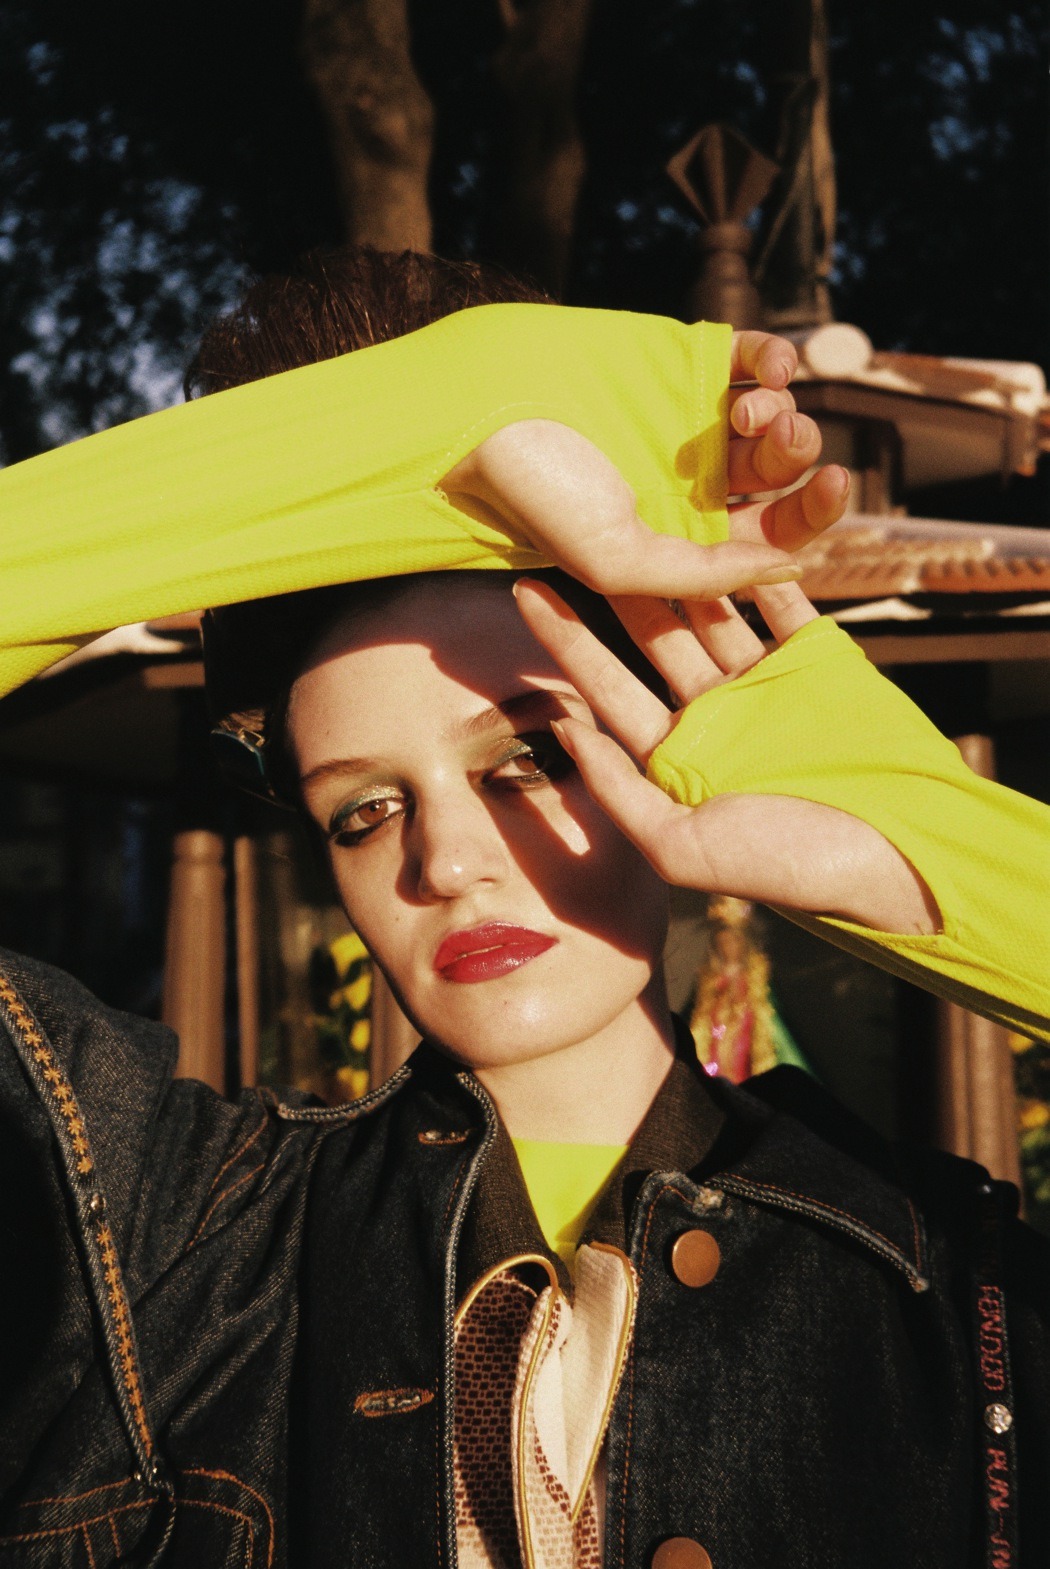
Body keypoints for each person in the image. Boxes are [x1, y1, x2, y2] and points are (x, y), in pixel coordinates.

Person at [0, 249, 1047, 1568]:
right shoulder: (170, 1248)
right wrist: (429, 427)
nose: (446, 860)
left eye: (527, 759)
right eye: (362, 810)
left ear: (669, 746)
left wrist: (921, 846)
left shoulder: (958, 1290)